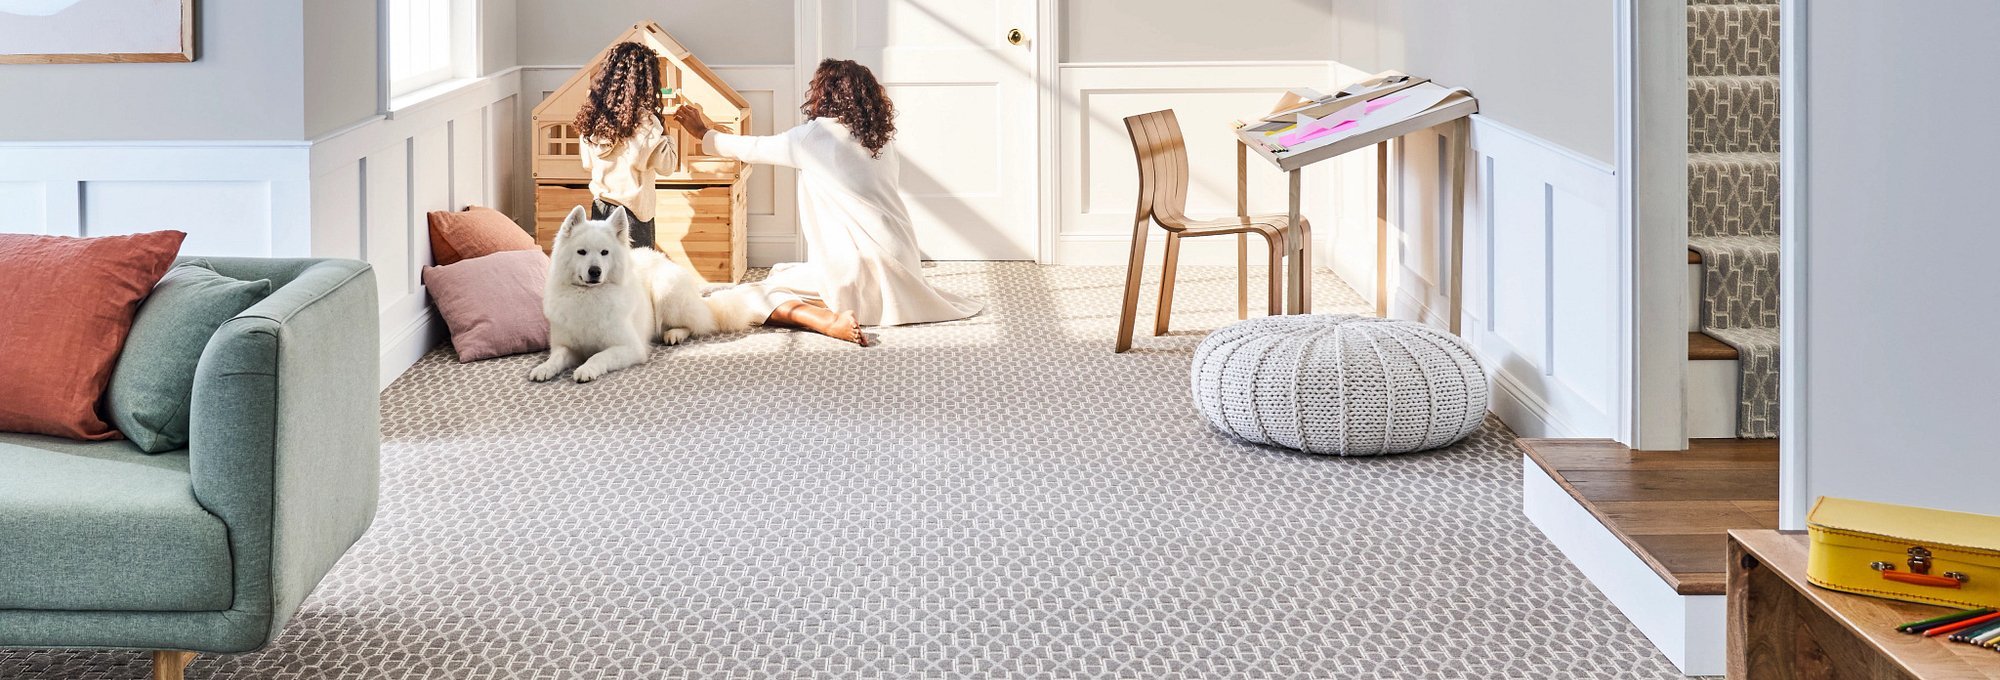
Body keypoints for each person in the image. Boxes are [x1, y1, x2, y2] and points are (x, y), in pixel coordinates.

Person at [675, 59, 981, 346]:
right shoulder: (881, 140)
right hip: (903, 262)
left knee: (751, 295)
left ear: (824, 95)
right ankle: (836, 307)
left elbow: (755, 148)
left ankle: (826, 322)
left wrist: (704, 132)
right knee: (782, 275)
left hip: (856, 269)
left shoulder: (817, 136)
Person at [576, 42, 678, 249]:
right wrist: (666, 132)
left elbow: (587, 163)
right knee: (637, 270)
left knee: (608, 268)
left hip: (601, 207)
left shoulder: (593, 117)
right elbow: (668, 166)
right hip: (635, 214)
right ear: (647, 82)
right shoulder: (646, 125)